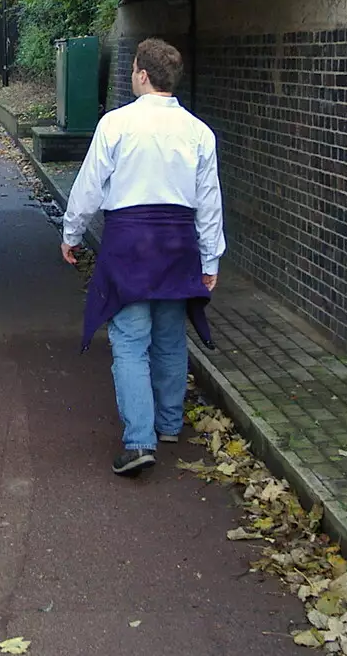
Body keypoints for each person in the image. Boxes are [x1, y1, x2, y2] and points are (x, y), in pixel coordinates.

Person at [60, 38, 224, 477]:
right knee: (171, 336)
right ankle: (169, 425)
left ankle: (138, 441)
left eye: (133, 69)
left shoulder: (116, 125)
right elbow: (209, 203)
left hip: (129, 242)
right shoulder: (198, 133)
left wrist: (71, 232)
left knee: (131, 342)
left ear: (142, 75)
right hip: (178, 244)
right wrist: (211, 261)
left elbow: (90, 184)